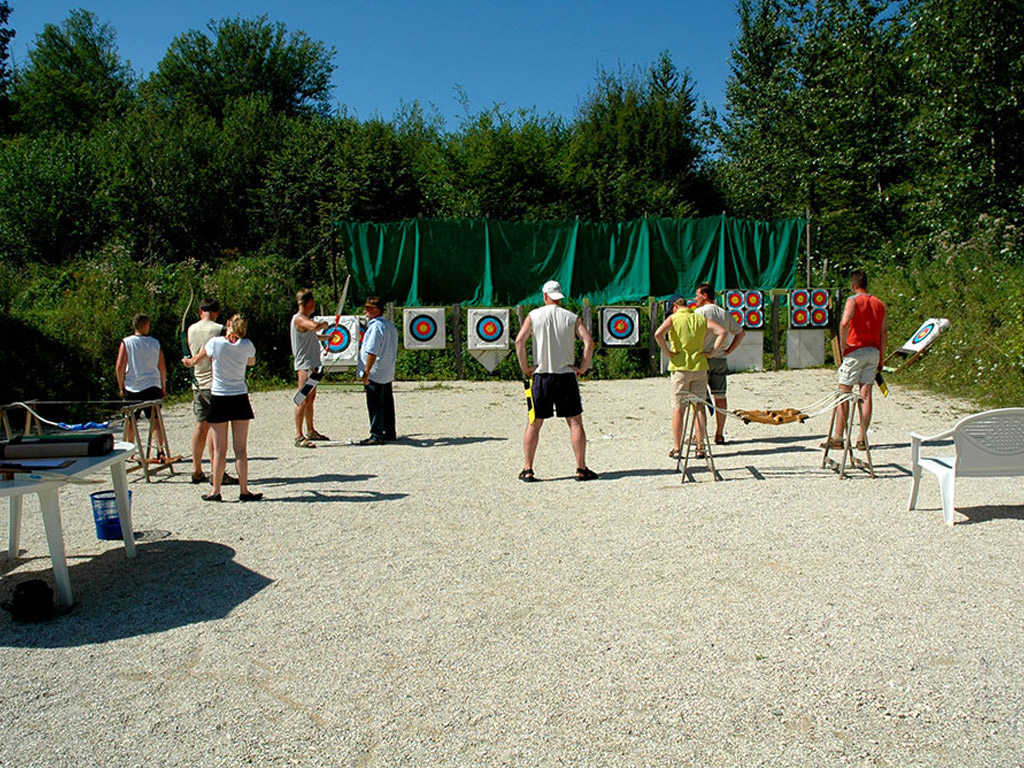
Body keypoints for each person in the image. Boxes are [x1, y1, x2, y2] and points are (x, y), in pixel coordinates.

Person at [514, 280, 597, 482]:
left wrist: (526, 368)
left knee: (534, 422)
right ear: (559, 297)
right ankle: (581, 468)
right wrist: (583, 367)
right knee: (575, 422)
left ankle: (528, 469)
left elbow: (519, 341)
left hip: (541, 376)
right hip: (566, 376)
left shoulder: (533, 316)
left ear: (544, 296)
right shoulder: (572, 318)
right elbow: (589, 342)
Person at [183, 314, 262, 502]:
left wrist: (187, 361)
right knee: (241, 449)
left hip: (220, 397)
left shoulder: (215, 343)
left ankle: (216, 491)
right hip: (239, 397)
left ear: (228, 325)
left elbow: (196, 360)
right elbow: (251, 362)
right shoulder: (247, 345)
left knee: (220, 449)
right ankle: (244, 490)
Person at [654, 295, 727, 459]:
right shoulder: (700, 318)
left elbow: (658, 334)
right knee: (699, 407)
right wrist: (713, 352)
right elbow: (722, 332)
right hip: (700, 367)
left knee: (679, 409)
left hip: (680, 368)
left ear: (674, 306)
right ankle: (700, 446)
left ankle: (677, 448)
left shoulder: (674, 319)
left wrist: (667, 353)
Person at [827, 269, 887, 451]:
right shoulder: (879, 303)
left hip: (856, 350)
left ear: (853, 286)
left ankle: (838, 436)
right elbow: (884, 332)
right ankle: (862, 438)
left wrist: (843, 344)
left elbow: (845, 322)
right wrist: (881, 358)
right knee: (866, 394)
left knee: (844, 392)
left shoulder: (853, 300)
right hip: (873, 351)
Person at [185, 298, 237, 486]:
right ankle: (218, 472)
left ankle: (197, 469)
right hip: (216, 385)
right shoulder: (220, 330)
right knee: (216, 430)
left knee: (200, 426)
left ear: (201, 311)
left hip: (198, 384)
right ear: (217, 311)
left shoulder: (190, 329)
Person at [693, 283, 746, 444]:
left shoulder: (698, 313)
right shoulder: (724, 313)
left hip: (702, 359)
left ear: (705, 295)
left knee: (698, 399)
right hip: (720, 358)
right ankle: (719, 433)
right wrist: (728, 350)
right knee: (720, 396)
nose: (695, 298)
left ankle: (699, 437)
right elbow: (740, 333)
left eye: (697, 295)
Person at [115, 313, 167, 453]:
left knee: (131, 420)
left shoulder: (127, 342)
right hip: (152, 385)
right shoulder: (155, 342)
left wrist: (121, 385)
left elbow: (120, 365)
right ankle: (160, 449)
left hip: (133, 385)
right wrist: (163, 385)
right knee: (155, 420)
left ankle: (130, 449)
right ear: (144, 325)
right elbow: (161, 366)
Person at [357, 296, 398, 446]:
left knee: (375, 403)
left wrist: (366, 371)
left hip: (376, 371)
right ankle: (390, 432)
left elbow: (372, 351)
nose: (365, 312)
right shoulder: (389, 325)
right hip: (386, 370)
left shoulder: (375, 327)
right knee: (387, 402)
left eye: (368, 309)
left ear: (376, 310)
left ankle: (376, 434)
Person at [291, 289, 330, 448]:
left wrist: (324, 337)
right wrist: (325, 325)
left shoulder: (304, 320)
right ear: (309, 303)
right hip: (305, 366)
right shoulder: (300, 319)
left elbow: (311, 335)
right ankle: (299, 436)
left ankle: (311, 430)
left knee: (310, 398)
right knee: (302, 399)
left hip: (313, 365)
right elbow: (313, 326)